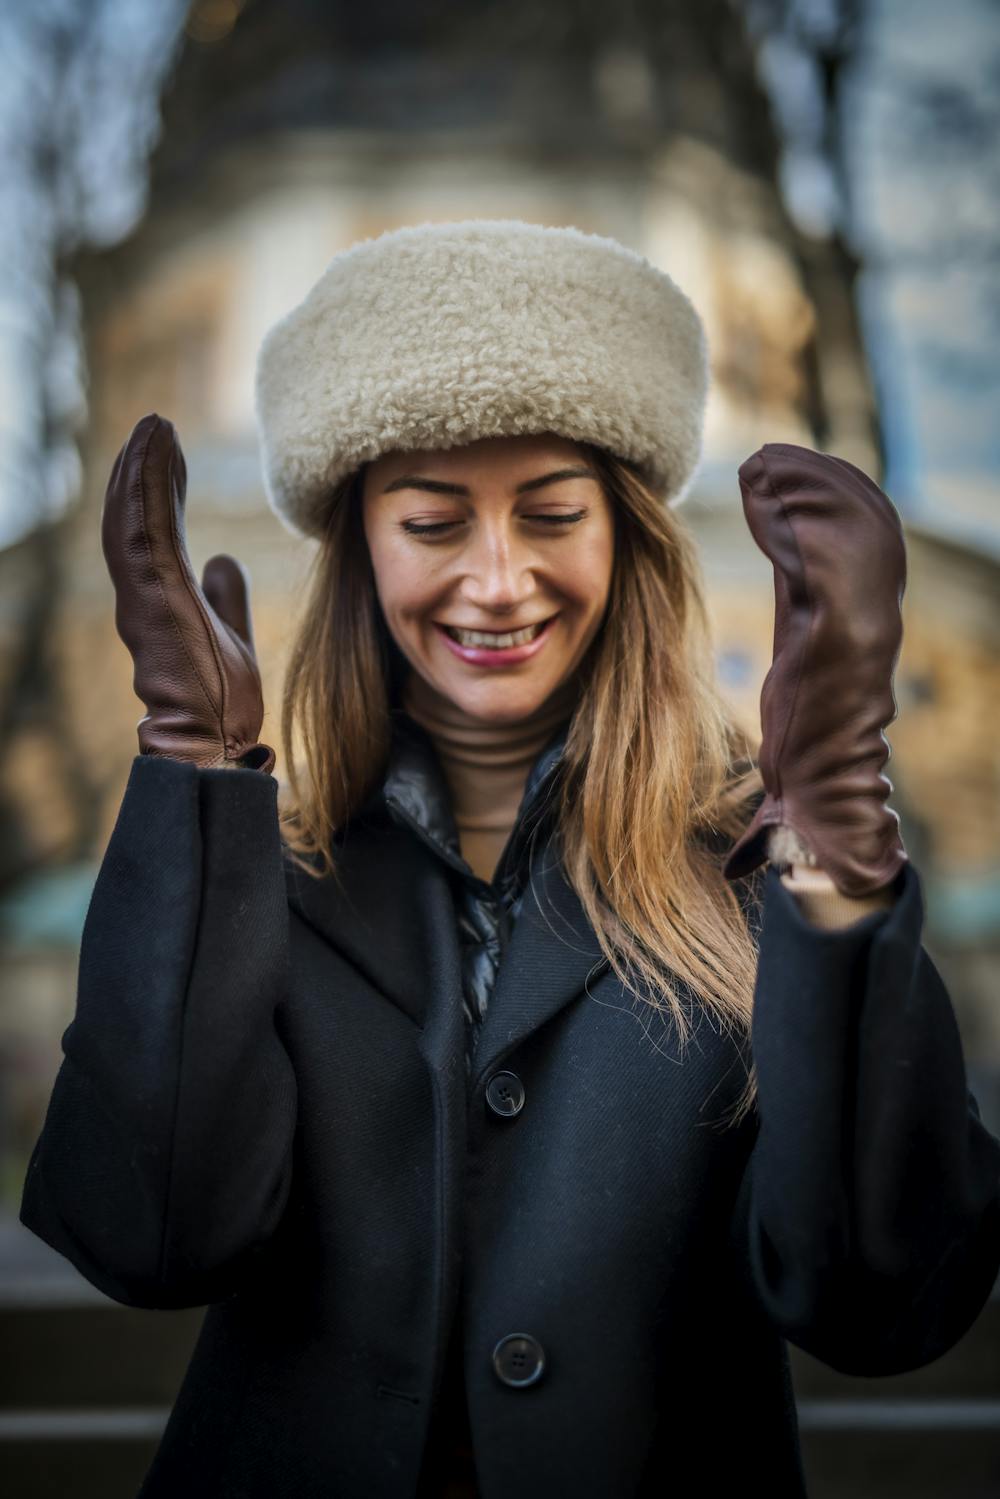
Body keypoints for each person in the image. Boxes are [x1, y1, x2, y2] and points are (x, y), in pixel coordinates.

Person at [19, 219, 1000, 1499]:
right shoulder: (264, 875)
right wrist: (192, 781)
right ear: (362, 548)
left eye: (551, 513)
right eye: (432, 521)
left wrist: (839, 856)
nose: (496, 581)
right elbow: (150, 1236)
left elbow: (880, 1296)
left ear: (626, 538)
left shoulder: (764, 880)